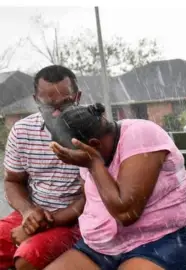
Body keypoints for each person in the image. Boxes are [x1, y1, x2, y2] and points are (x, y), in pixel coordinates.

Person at [45, 103, 186, 270]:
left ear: (93, 144)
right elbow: (91, 202)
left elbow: (126, 213)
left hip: (167, 239)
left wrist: (93, 164)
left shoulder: (141, 135)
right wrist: (48, 219)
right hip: (105, 246)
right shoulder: (88, 151)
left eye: (72, 156)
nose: (73, 162)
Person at [0, 65, 84, 270]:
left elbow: (91, 198)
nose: (56, 113)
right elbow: (13, 181)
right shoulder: (22, 131)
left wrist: (47, 222)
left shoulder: (91, 132)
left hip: (75, 221)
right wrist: (28, 213)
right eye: (48, 104)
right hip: (32, 213)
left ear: (77, 97)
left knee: (28, 256)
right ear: (36, 100)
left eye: (65, 103)